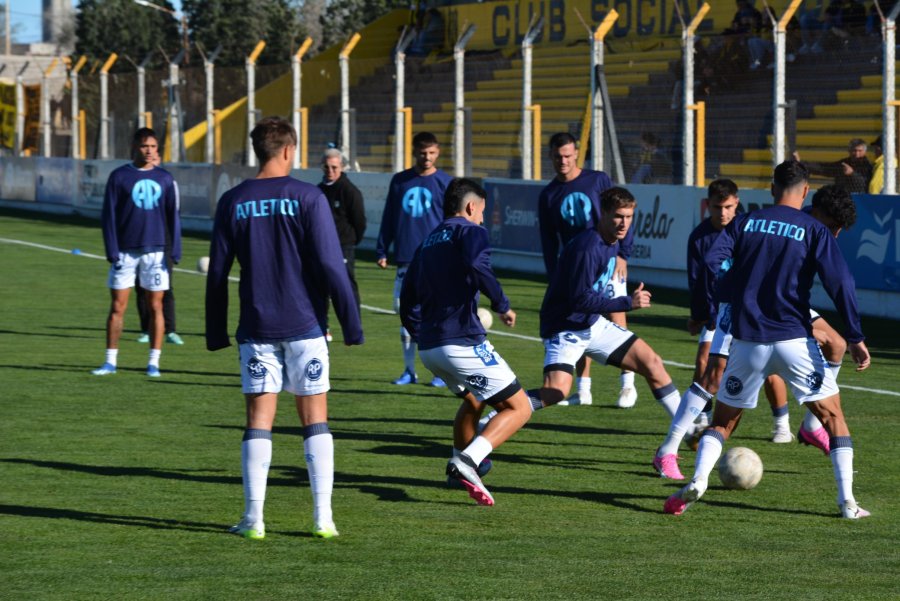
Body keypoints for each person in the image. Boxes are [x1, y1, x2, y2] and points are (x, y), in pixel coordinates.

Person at [664, 161, 871, 519]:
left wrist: (725, 293)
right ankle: (848, 503)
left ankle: (698, 479)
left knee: (722, 423)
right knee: (834, 419)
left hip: (747, 342)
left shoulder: (745, 222)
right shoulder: (813, 229)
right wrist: (854, 336)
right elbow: (841, 284)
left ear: (772, 187)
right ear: (804, 191)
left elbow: (712, 260)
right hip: (794, 340)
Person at [205, 116, 364, 540]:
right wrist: (351, 323)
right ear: (290, 150)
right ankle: (322, 519)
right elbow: (333, 265)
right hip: (306, 325)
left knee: (259, 419)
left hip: (257, 327)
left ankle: (254, 519)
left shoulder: (233, 200)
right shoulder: (308, 197)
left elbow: (217, 273)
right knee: (315, 419)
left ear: (257, 150)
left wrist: (215, 332)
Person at [400, 178, 538, 506]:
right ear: (471, 207)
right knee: (520, 407)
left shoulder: (428, 240)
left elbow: (407, 298)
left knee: (475, 401)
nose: (482, 220)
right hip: (460, 343)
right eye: (482, 213)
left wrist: (422, 334)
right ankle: (468, 460)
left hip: (430, 349)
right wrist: (502, 303)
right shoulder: (470, 231)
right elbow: (478, 264)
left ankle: (455, 470)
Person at [535, 187, 681, 423]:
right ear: (603, 213)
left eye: (629, 217)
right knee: (556, 391)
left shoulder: (612, 239)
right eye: (618, 216)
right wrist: (627, 302)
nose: (624, 223)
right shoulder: (588, 248)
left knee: (651, 362)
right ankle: (506, 408)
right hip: (565, 327)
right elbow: (580, 300)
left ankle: (688, 430)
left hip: (591, 325)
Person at [538, 132, 638, 409]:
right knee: (580, 317)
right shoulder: (548, 194)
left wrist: (623, 255)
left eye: (568, 155)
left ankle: (627, 384)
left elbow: (622, 211)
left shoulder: (597, 179)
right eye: (558, 156)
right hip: (575, 267)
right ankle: (583, 389)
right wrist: (553, 273)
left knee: (616, 312)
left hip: (607, 258)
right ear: (551, 157)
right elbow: (548, 239)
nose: (563, 161)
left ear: (576, 154)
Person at [92, 127, 181, 378]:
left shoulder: (165, 178)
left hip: (156, 253)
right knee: (118, 306)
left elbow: (173, 216)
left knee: (156, 306)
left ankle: (154, 363)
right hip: (125, 252)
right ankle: (110, 361)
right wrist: (112, 249)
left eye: (153, 146)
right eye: (145, 146)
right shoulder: (119, 177)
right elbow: (108, 215)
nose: (149, 151)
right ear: (135, 147)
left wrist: (175, 250)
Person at [376, 131, 453, 387]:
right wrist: (381, 248)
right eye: (422, 152)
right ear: (414, 152)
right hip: (406, 261)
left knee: (436, 319)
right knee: (405, 318)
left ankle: (439, 373)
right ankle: (409, 370)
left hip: (436, 261)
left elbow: (453, 223)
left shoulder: (446, 183)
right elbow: (389, 216)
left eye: (431, 152)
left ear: (438, 152)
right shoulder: (400, 181)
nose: (427, 157)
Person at [136, 151, 183, 346]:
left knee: (166, 288)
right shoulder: (135, 181)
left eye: (155, 158)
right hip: (141, 240)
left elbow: (175, 213)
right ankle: (147, 329)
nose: (151, 161)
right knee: (142, 287)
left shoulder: (167, 182)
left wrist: (175, 247)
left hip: (164, 241)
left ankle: (170, 330)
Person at [319, 147, 367, 337]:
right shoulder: (318, 190)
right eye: (327, 167)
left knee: (346, 287)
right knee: (321, 287)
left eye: (334, 167)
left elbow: (359, 221)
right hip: (321, 247)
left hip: (343, 247)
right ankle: (323, 327)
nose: (330, 171)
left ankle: (353, 327)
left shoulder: (350, 191)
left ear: (342, 167)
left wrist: (351, 241)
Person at [794, 138, 872, 193]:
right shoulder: (845, 163)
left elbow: (865, 184)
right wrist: (802, 163)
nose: (857, 154)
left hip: (860, 197)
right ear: (849, 150)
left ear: (865, 152)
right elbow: (825, 169)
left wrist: (852, 173)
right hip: (842, 196)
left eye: (860, 151)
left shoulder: (867, 166)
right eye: (854, 151)